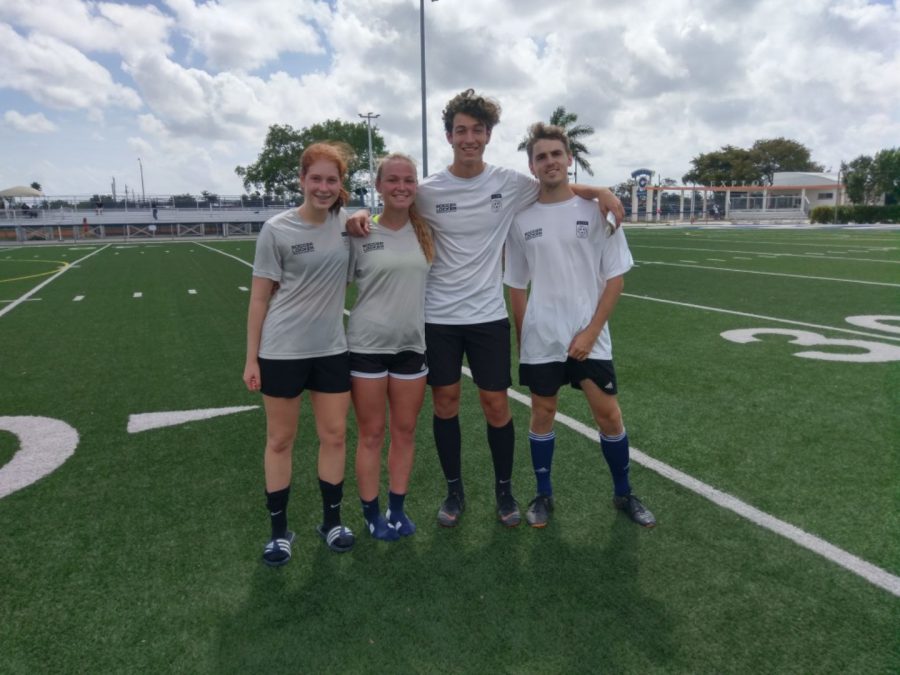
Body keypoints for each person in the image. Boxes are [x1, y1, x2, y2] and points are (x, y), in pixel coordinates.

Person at [348, 89, 625, 529]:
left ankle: (504, 490)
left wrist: (600, 190)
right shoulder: (430, 189)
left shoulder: (509, 183)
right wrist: (359, 213)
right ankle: (454, 491)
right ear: (448, 135)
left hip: (488, 317)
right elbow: (393, 201)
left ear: (489, 135)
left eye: (478, 130)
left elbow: (556, 186)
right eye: (461, 130)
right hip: (437, 318)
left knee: (497, 405)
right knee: (446, 404)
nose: (469, 138)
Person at [504, 122, 656, 529]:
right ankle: (543, 494)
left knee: (608, 416)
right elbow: (517, 285)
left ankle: (623, 493)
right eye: (541, 156)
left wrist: (589, 333)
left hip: (590, 337)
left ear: (570, 160)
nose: (550, 161)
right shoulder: (520, 219)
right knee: (542, 413)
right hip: (542, 337)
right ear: (532, 165)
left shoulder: (597, 210)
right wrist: (523, 338)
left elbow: (615, 278)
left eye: (557, 154)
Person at [243, 142, 356, 566]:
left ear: (340, 183)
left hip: (331, 349)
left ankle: (332, 522)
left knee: (334, 436)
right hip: (282, 351)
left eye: (332, 179)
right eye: (316, 179)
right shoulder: (277, 229)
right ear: (302, 180)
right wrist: (251, 359)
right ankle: (278, 532)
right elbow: (258, 300)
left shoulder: (350, 225)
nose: (324, 187)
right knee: (280, 440)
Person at [347, 153, 434, 541]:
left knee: (405, 430)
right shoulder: (359, 232)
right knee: (371, 433)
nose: (401, 186)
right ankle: (370, 512)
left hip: (412, 346)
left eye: (409, 180)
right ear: (379, 186)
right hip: (366, 346)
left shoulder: (426, 231)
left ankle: (396, 509)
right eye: (393, 180)